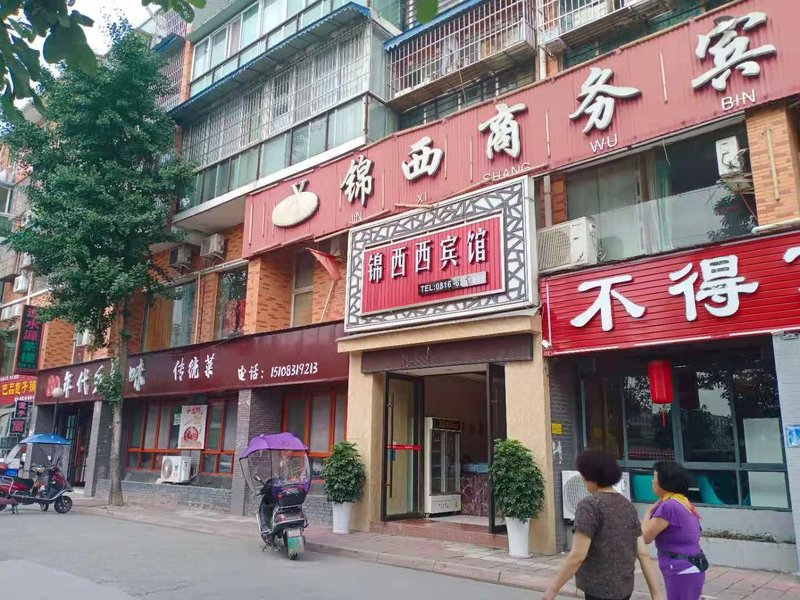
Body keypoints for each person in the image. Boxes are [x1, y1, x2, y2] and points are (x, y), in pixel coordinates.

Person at [544, 451, 662, 600]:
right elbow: (643, 553)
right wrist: (656, 594)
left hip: (598, 589)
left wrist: (552, 590)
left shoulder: (589, 506)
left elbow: (577, 556)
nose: (582, 478)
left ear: (591, 476)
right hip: (624, 588)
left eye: (583, 474)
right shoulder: (627, 505)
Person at [642, 462, 706, 600]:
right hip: (690, 566)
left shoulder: (669, 506)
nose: (652, 481)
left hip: (681, 569)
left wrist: (648, 512)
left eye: (655, 477)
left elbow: (645, 537)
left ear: (665, 482)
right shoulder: (681, 501)